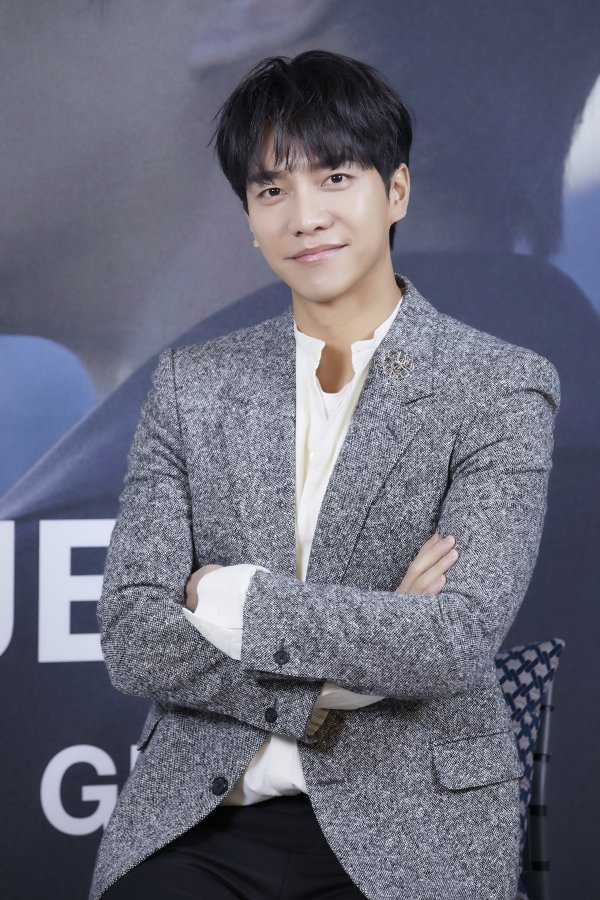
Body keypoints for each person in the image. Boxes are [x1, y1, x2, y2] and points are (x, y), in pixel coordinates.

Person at [90, 50, 560, 900]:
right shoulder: (194, 385)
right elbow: (133, 635)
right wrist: (338, 686)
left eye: (336, 177)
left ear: (397, 192)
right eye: (272, 190)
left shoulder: (497, 386)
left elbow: (452, 641)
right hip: (208, 816)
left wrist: (229, 597)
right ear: (250, 218)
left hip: (413, 825)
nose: (305, 216)